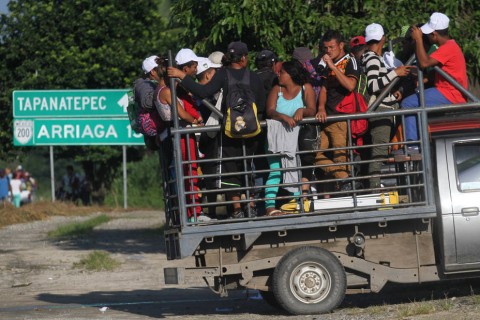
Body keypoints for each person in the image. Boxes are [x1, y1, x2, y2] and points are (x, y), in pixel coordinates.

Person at [168, 41, 266, 219]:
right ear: (244, 58)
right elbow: (261, 104)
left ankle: (237, 210)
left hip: (229, 131)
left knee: (230, 169)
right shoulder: (254, 77)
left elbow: (202, 92)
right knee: (247, 166)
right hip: (251, 131)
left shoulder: (223, 75)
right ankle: (251, 206)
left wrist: (182, 76)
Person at [401, 12, 468, 150]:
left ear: (434, 35)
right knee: (412, 100)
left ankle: (412, 145)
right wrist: (423, 78)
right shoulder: (449, 46)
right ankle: (415, 142)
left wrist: (418, 40)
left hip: (451, 94)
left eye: (427, 34)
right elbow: (443, 74)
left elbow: (425, 63)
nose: (426, 37)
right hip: (448, 92)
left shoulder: (448, 48)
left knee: (408, 103)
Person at [155, 55, 208, 222]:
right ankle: (194, 213)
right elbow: (181, 112)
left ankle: (192, 211)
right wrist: (195, 121)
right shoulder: (167, 91)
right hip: (182, 136)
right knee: (189, 171)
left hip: (178, 136)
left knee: (186, 172)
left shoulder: (160, 91)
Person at [362, 23, 411, 188]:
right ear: (383, 39)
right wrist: (395, 73)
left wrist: (394, 92)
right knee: (379, 153)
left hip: (386, 108)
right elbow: (373, 86)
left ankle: (374, 188)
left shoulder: (372, 57)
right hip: (381, 111)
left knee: (380, 152)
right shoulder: (372, 58)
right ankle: (375, 191)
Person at [264, 60, 316, 215]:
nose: (278, 75)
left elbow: (312, 109)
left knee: (294, 168)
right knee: (276, 171)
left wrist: (302, 110)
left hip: (296, 138)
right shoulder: (277, 89)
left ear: (292, 74)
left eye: (282, 72)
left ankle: (296, 203)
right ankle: (270, 207)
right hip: (276, 137)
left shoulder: (306, 88)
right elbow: (270, 111)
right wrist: (283, 117)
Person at [315, 30, 361, 191]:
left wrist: (333, 67)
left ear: (341, 45)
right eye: (325, 48)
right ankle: (345, 179)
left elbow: (350, 85)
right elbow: (324, 88)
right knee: (313, 154)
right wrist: (320, 108)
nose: (328, 51)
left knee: (341, 157)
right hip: (326, 118)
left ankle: (347, 185)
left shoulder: (350, 61)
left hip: (341, 117)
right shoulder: (328, 64)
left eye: (331, 47)